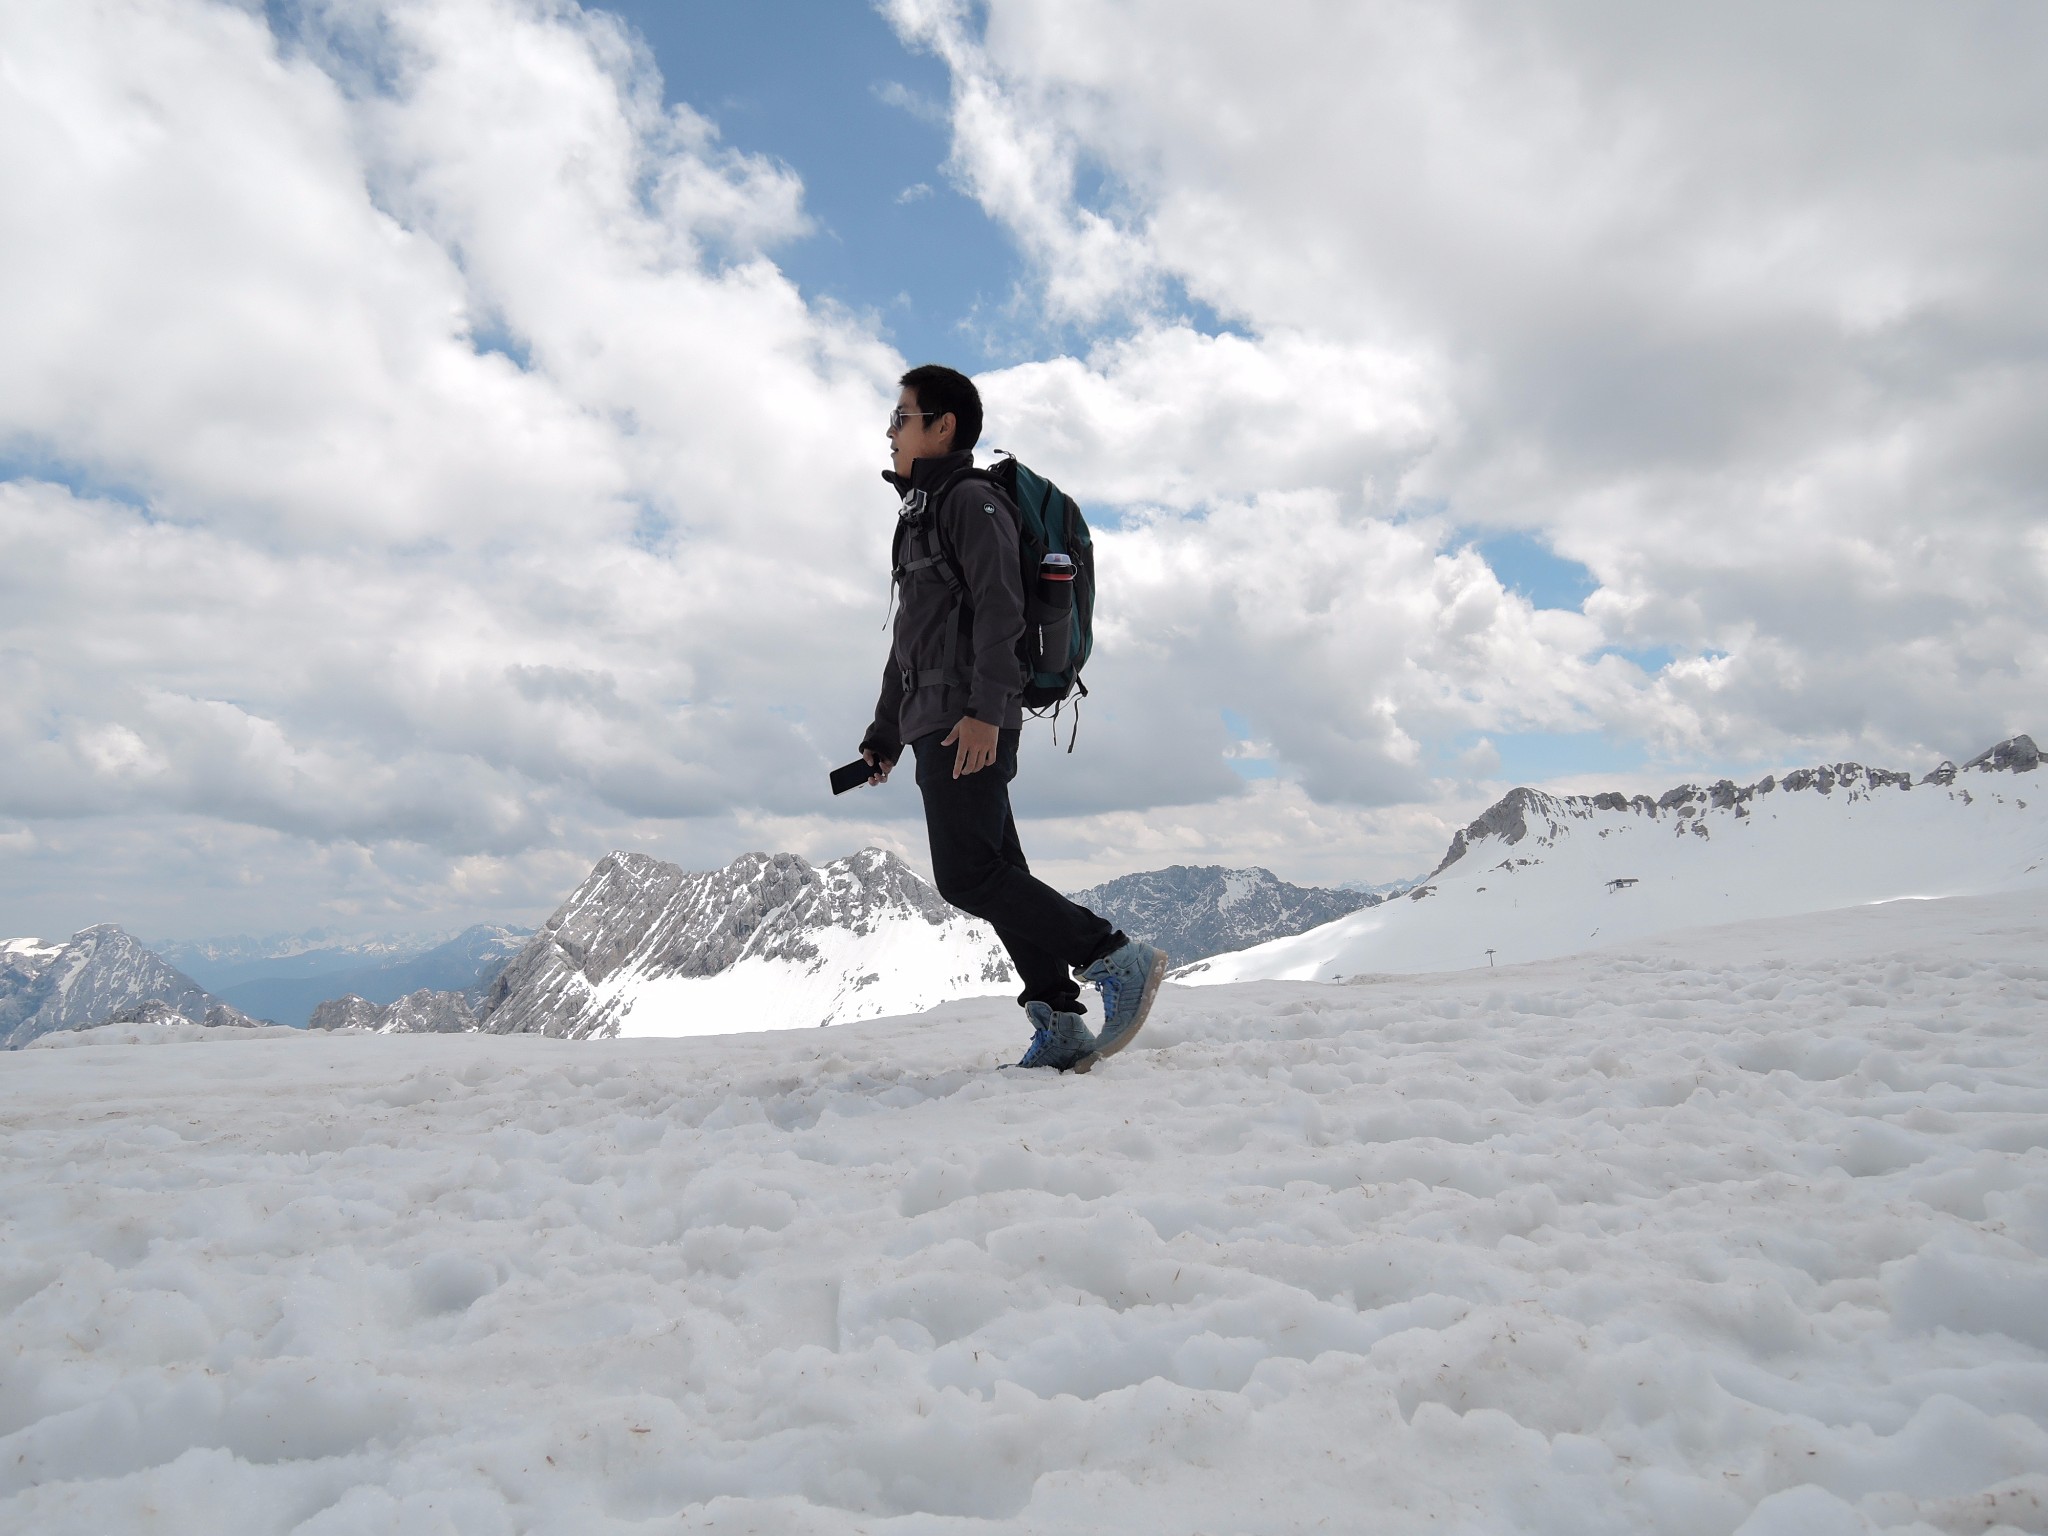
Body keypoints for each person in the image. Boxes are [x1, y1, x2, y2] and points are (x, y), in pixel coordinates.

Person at [857, 364, 1166, 1072]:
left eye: (902, 417)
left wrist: (987, 713)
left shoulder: (970, 502)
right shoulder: (918, 517)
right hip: (938, 717)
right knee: (997, 866)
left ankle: (1114, 958)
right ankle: (1058, 1019)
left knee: (967, 875)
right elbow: (909, 640)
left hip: (969, 720)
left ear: (944, 427)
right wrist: (883, 735)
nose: (890, 429)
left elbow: (1003, 609)